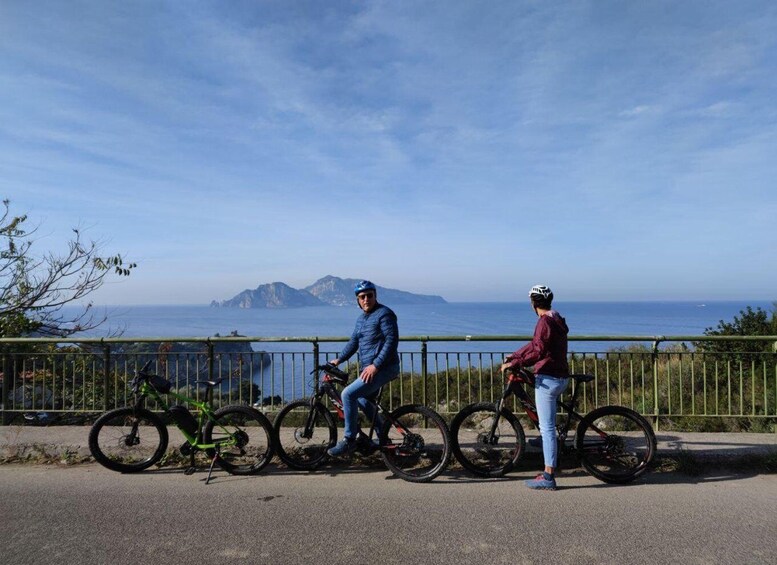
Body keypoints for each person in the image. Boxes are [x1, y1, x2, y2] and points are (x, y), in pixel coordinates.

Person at [500, 284, 569, 490]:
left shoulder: (544, 322)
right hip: (559, 376)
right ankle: (548, 444)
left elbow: (538, 350)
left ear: (533, 304)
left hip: (549, 379)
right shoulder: (555, 318)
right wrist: (516, 355)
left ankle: (548, 477)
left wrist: (515, 364)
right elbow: (535, 345)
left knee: (547, 428)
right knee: (547, 423)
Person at [326, 280, 400, 456]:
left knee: (347, 394)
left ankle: (349, 440)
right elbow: (354, 342)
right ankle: (383, 437)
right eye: (362, 297)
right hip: (372, 368)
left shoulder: (385, 314)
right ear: (358, 300)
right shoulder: (361, 320)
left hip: (384, 367)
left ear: (375, 296)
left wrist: (375, 365)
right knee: (363, 400)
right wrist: (340, 359)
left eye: (369, 295)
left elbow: (391, 341)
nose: (366, 299)